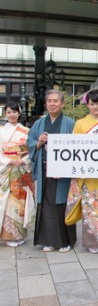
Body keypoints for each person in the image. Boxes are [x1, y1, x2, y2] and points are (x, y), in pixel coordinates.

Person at [65, 89, 98, 256]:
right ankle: (91, 242)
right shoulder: (79, 124)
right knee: (89, 208)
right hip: (87, 173)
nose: (95, 106)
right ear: (87, 104)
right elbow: (75, 148)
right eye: (92, 104)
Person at [27, 89, 76, 252]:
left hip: (62, 172)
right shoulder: (39, 123)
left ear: (62, 104)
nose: (52, 103)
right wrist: (39, 142)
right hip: (44, 169)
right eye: (49, 101)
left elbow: (76, 146)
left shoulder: (69, 123)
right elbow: (30, 141)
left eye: (56, 101)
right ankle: (47, 241)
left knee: (61, 204)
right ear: (46, 103)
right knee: (46, 205)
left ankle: (65, 241)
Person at [0, 102, 35, 247]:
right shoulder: (1, 131)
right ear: (5, 114)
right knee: (6, 201)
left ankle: (20, 233)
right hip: (6, 169)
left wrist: (23, 160)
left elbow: (31, 150)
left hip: (21, 169)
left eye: (14, 112)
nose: (12, 115)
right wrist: (8, 160)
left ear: (19, 113)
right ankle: (9, 235)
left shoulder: (26, 130)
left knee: (20, 201)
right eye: (9, 112)